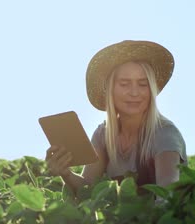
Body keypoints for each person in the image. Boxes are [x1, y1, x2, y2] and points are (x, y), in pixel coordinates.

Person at [45, 40, 187, 195]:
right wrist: (66, 173)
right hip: (124, 219)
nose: (134, 92)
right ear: (110, 90)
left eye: (143, 84)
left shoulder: (164, 134)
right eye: (125, 84)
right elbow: (87, 188)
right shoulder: (103, 135)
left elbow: (167, 195)